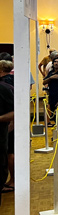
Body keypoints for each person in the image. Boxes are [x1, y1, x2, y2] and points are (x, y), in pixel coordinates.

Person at [0, 64, 14, 197]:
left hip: (3, 134)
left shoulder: (4, 88)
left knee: (9, 154)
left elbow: (15, 112)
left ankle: (13, 180)